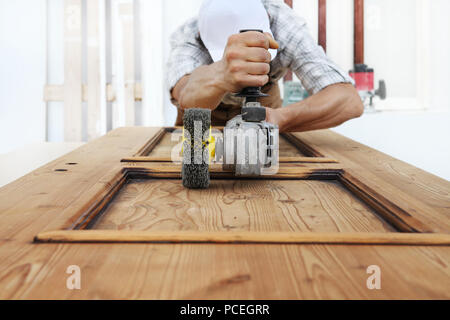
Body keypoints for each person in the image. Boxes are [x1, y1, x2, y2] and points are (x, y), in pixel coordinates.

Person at [166, 0, 363, 132]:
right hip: (203, 123)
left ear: (268, 23)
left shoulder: (284, 25)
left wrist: (280, 118)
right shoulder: (191, 34)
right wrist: (221, 75)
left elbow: (348, 101)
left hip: (267, 110)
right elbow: (184, 94)